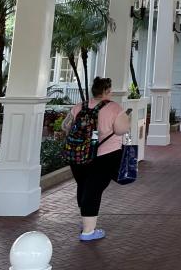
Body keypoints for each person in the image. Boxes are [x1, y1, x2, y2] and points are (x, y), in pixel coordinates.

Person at [62, 76, 131, 241]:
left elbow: (65, 126)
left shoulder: (80, 106)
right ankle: (88, 231)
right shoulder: (114, 108)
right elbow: (121, 130)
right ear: (107, 91)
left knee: (84, 186)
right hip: (105, 155)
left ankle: (86, 222)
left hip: (78, 155)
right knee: (94, 190)